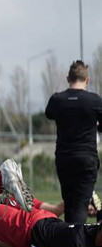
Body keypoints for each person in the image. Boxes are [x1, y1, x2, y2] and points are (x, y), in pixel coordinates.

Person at [45, 60, 102, 223]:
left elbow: (49, 114)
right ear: (87, 80)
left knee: (70, 206)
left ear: (67, 78)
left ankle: (70, 245)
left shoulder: (57, 100)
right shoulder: (94, 101)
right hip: (86, 160)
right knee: (80, 207)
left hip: (64, 159)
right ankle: (76, 245)